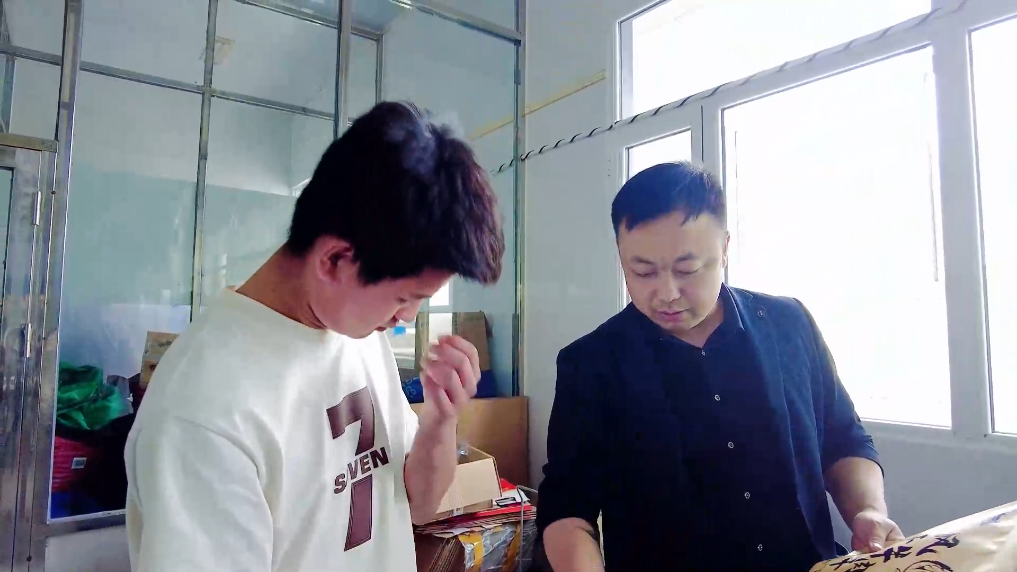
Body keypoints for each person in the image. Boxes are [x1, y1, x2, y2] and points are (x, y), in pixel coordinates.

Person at [124, 101, 504, 571]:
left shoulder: (356, 331)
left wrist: (441, 421)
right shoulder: (202, 412)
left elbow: (421, 504)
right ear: (334, 260)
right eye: (405, 297)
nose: (406, 318)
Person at [536, 161, 903, 572]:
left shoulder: (789, 325)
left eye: (687, 270)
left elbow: (842, 438)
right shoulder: (591, 364)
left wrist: (868, 511)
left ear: (725, 248)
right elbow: (568, 504)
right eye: (642, 272)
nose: (667, 293)